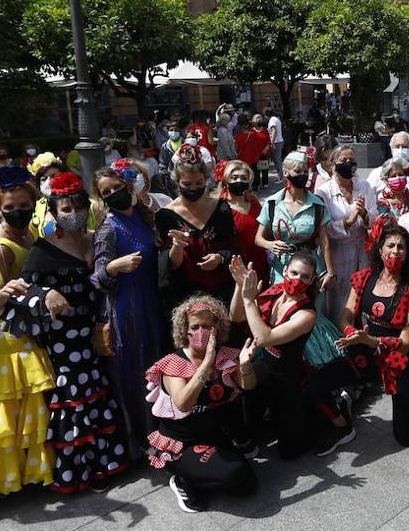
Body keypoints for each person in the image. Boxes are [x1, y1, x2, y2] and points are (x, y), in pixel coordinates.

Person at [2, 172, 128, 492]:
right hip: (64, 340)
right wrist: (44, 294)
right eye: (65, 209)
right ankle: (81, 471)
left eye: (77, 206)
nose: (72, 213)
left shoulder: (95, 237)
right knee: (75, 398)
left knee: (99, 392)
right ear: (54, 213)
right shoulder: (44, 249)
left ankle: (107, 463)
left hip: (96, 330)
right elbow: (20, 292)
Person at [0, 165, 54, 498]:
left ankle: (36, 472)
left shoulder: (28, 231)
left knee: (32, 410)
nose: (19, 212)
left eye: (24, 205)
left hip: (27, 326)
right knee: (18, 413)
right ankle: (17, 478)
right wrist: (7, 291)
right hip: (9, 337)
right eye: (10, 208)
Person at [311, 222, 409, 454]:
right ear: (379, 249)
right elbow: (344, 315)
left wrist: (371, 341)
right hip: (364, 353)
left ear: (408, 252)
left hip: (400, 361)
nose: (395, 252)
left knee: (405, 436)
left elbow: (406, 343)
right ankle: (342, 426)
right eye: (390, 246)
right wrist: (352, 334)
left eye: (401, 247)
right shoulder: (364, 278)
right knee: (316, 384)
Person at [144, 295, 258, 512]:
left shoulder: (225, 356)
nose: (202, 332)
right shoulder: (173, 364)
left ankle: (210, 470)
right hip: (182, 444)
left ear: (218, 328)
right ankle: (182, 480)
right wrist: (206, 365)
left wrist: (244, 365)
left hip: (214, 436)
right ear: (184, 329)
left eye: (208, 326)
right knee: (234, 474)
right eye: (195, 326)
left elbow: (248, 385)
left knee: (247, 484)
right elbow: (183, 404)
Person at [91, 163, 166, 460]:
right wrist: (113, 266)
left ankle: (163, 429)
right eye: (105, 192)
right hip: (126, 310)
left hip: (151, 303)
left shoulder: (144, 218)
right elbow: (97, 279)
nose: (112, 194)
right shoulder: (107, 230)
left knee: (157, 367)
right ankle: (142, 442)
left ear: (128, 185)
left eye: (116, 187)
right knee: (136, 374)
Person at [231, 251, 318, 459]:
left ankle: (325, 411)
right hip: (265, 366)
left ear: (312, 279)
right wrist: (240, 286)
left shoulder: (307, 314)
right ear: (285, 271)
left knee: (290, 452)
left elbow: (263, 337)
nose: (298, 280)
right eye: (294, 273)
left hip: (288, 378)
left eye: (305, 277)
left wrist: (249, 299)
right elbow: (236, 316)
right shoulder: (276, 291)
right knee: (247, 412)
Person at [157, 146, 237, 310]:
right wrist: (177, 246)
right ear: (177, 182)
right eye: (187, 183)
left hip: (222, 289)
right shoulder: (166, 215)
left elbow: (234, 247)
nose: (193, 188)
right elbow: (172, 265)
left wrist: (220, 258)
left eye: (199, 183)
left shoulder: (221, 207)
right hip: (187, 294)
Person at [256, 150, 333, 285]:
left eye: (305, 171)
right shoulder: (272, 203)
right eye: (298, 171)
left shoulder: (317, 205)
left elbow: (324, 242)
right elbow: (258, 238)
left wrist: (331, 273)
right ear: (286, 173)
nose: (302, 175)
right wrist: (270, 244)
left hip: (310, 267)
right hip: (282, 269)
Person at [319, 145, 373, 317]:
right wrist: (348, 221)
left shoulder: (364, 186)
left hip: (362, 250)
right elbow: (324, 228)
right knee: (339, 298)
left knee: (362, 292)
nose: (348, 164)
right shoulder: (324, 192)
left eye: (352, 160)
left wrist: (364, 213)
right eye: (343, 160)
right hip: (337, 252)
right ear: (332, 164)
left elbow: (375, 217)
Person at [235, 114, 273, 188]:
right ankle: (257, 183)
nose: (258, 120)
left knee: (264, 168)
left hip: (264, 151)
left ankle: (265, 183)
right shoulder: (252, 131)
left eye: (260, 118)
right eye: (256, 118)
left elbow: (268, 140)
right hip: (255, 153)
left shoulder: (264, 130)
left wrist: (266, 148)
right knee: (256, 169)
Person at [265, 107, 285, 182]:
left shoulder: (272, 120)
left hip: (276, 142)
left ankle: (281, 177)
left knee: (277, 160)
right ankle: (280, 176)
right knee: (277, 160)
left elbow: (274, 131)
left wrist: (272, 143)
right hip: (279, 141)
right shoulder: (276, 119)